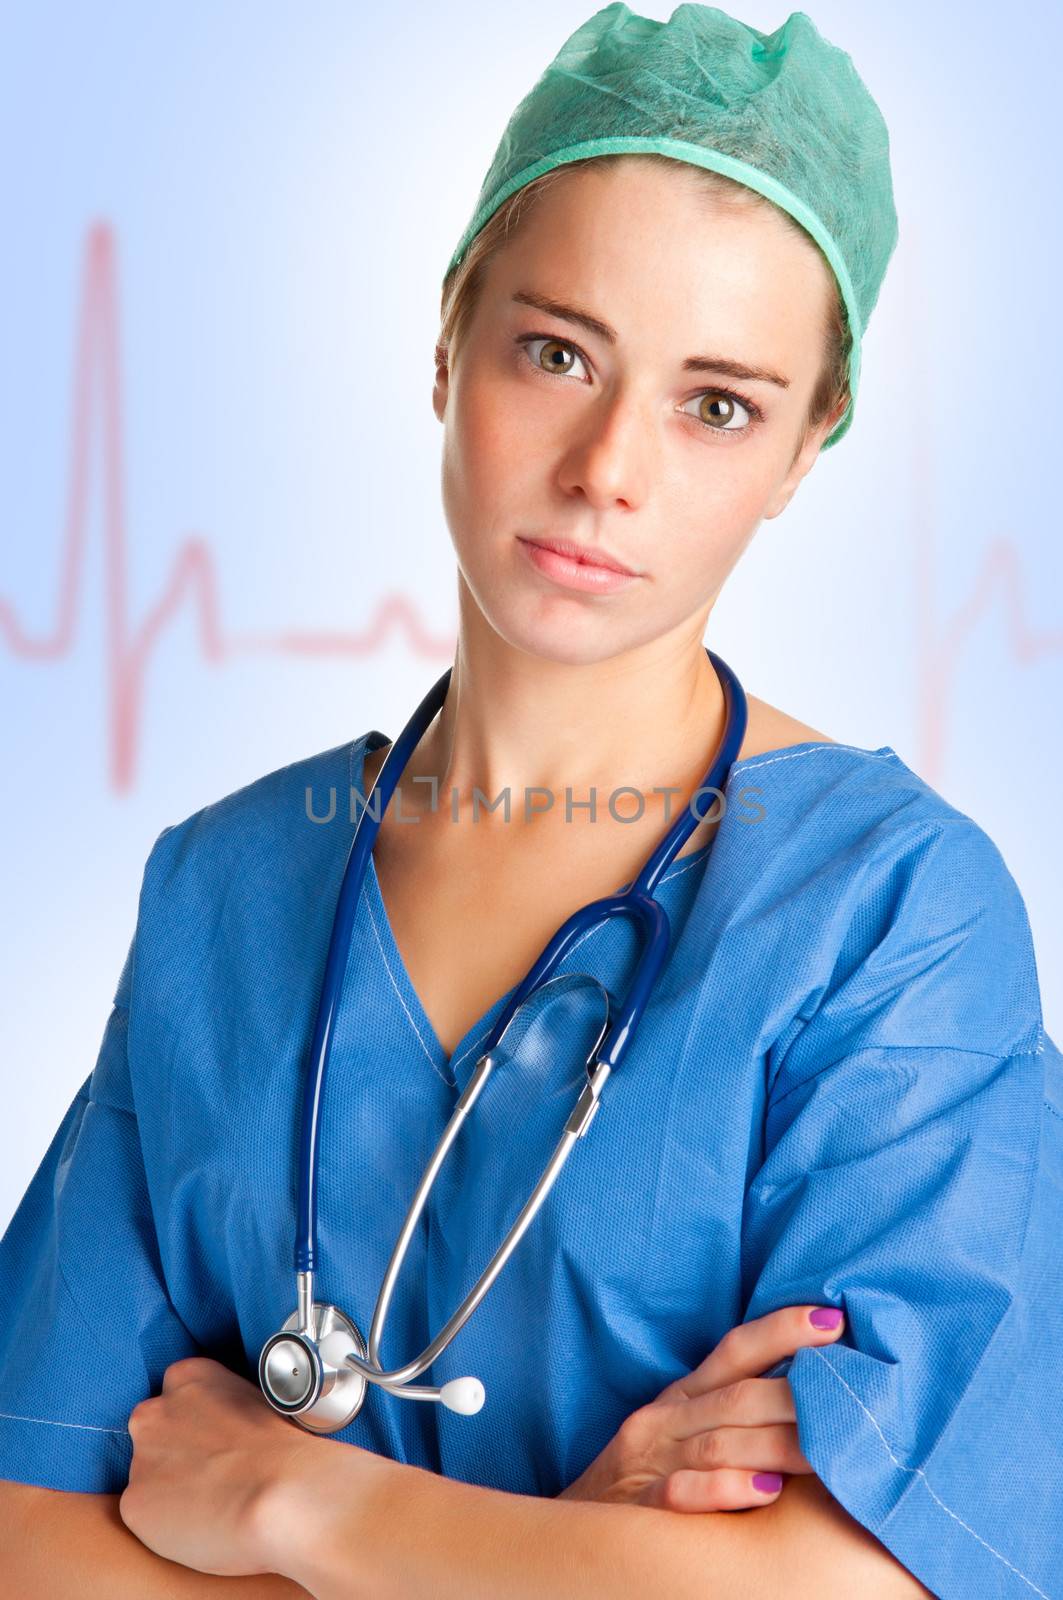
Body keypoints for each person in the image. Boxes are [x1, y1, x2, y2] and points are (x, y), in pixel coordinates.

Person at [1, 4, 1061, 1597]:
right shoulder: (222, 892)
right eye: (555, 351)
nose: (608, 467)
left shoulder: (890, 918)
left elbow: (865, 1583)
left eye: (719, 404)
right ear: (447, 338)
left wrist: (301, 1510)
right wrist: (578, 1546)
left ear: (802, 453)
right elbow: (26, 1535)